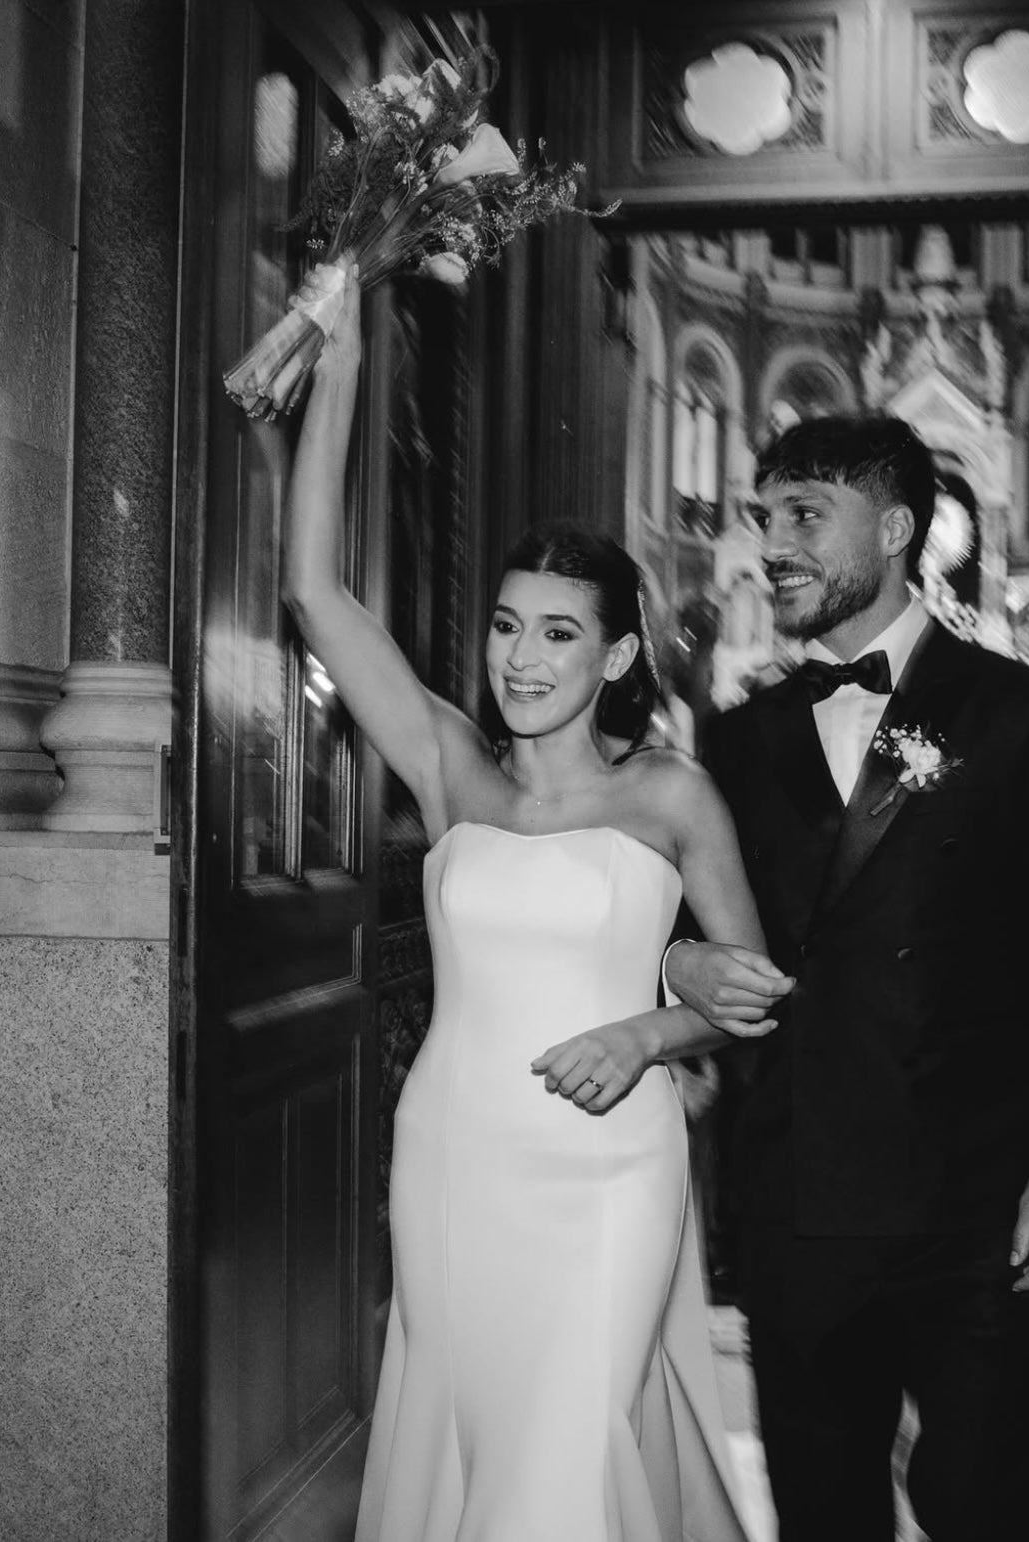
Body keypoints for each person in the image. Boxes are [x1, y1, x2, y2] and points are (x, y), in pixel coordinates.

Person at [281, 264, 771, 1542]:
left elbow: (752, 989)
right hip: (455, 1156)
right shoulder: (452, 769)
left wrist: (651, 1032)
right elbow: (317, 596)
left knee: (565, 1451)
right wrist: (338, 354)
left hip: (613, 1168)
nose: (520, 658)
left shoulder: (672, 798)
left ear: (614, 658)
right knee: (473, 1429)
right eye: (507, 627)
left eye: (560, 634)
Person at [666, 415, 1029, 1542]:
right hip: (798, 1203)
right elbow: (683, 931)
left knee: (985, 1504)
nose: (772, 543)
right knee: (822, 1511)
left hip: (979, 1213)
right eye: (765, 516)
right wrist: (683, 961)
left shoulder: (1028, 715)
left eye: (804, 517)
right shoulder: (733, 739)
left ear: (897, 528)